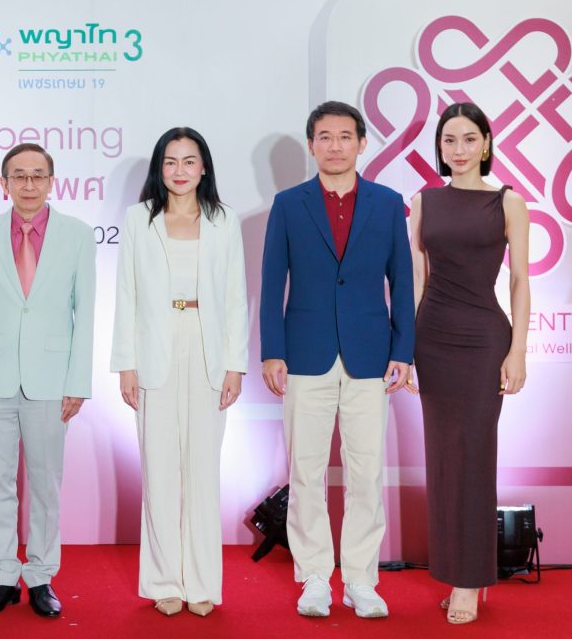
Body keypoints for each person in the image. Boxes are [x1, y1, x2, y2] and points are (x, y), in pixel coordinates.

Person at [260, 101, 414, 619]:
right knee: (305, 471)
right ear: (311, 145)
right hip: (305, 355)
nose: (335, 146)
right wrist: (273, 350)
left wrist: (404, 350)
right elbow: (271, 284)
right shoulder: (289, 204)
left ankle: (361, 580)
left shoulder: (388, 204)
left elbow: (403, 283)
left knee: (366, 472)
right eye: (324, 137)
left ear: (362, 143)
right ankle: (314, 578)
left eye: (345, 136)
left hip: (371, 356)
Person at [0, 143, 96, 619]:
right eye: (19, 176)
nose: (29, 184)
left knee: (45, 485)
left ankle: (40, 576)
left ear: (52, 182)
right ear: (4, 183)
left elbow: (86, 313)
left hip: (52, 380)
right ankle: (1, 576)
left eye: (38, 175)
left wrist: (78, 382)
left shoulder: (78, 236)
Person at [110, 128, 247, 618]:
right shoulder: (139, 219)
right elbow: (126, 292)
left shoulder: (224, 219)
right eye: (171, 162)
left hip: (208, 349)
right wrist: (125, 364)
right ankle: (164, 581)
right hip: (154, 349)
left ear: (204, 167)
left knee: (203, 472)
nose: (180, 171)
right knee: (160, 471)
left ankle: (203, 582)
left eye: (190, 161)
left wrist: (235, 365)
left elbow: (235, 296)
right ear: (159, 168)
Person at [410, 102, 529, 625]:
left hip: (483, 340)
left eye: (468, 139)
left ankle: (470, 579)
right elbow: (417, 277)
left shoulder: (508, 202)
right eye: (448, 140)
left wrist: (518, 350)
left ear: (486, 144)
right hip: (432, 339)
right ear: (439, 148)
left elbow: (520, 280)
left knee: (475, 456)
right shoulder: (424, 202)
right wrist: (405, 350)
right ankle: (455, 570)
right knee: (442, 459)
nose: (458, 150)